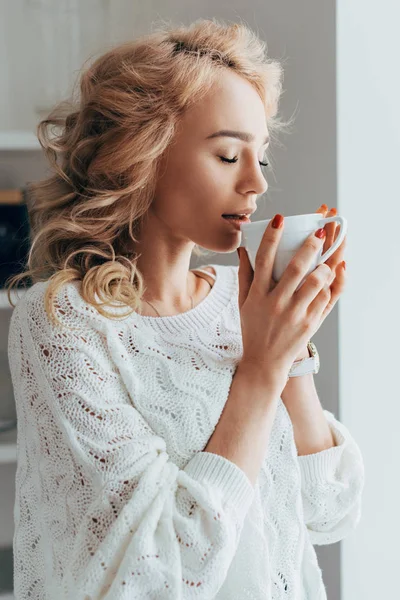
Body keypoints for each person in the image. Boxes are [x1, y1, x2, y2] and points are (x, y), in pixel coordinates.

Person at [6, 18, 364, 600]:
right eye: (228, 155)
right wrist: (260, 370)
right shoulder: (64, 320)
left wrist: (291, 344)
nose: (256, 184)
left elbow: (331, 511)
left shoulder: (241, 304)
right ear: (141, 156)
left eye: (261, 159)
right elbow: (157, 571)